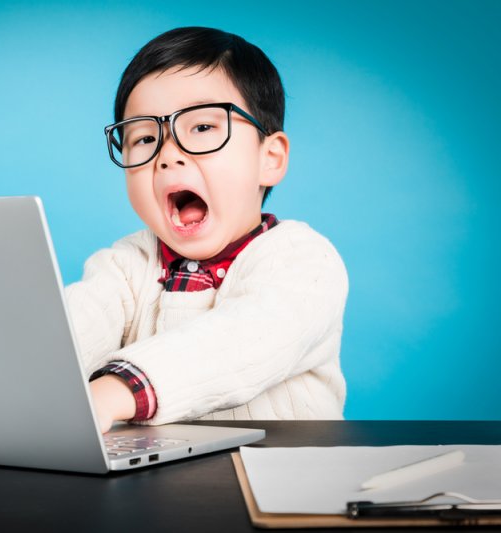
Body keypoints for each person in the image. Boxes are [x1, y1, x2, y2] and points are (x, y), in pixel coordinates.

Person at [66, 27, 348, 433]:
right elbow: (71, 334)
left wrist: (115, 392)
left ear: (270, 158)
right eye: (144, 137)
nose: (167, 156)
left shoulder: (304, 260)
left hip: (288, 479)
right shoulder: (127, 264)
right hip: (163, 484)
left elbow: (245, 340)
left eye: (201, 128)